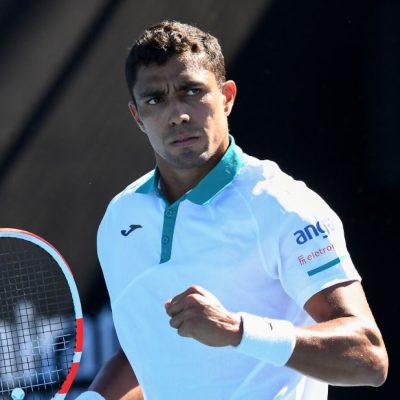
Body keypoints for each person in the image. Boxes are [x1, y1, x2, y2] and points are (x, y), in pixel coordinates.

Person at [77, 20, 388, 400]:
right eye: (155, 99)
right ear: (137, 116)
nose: (177, 115)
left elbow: (369, 358)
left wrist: (238, 330)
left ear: (226, 97)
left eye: (191, 91)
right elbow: (147, 353)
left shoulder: (284, 206)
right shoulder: (121, 218)